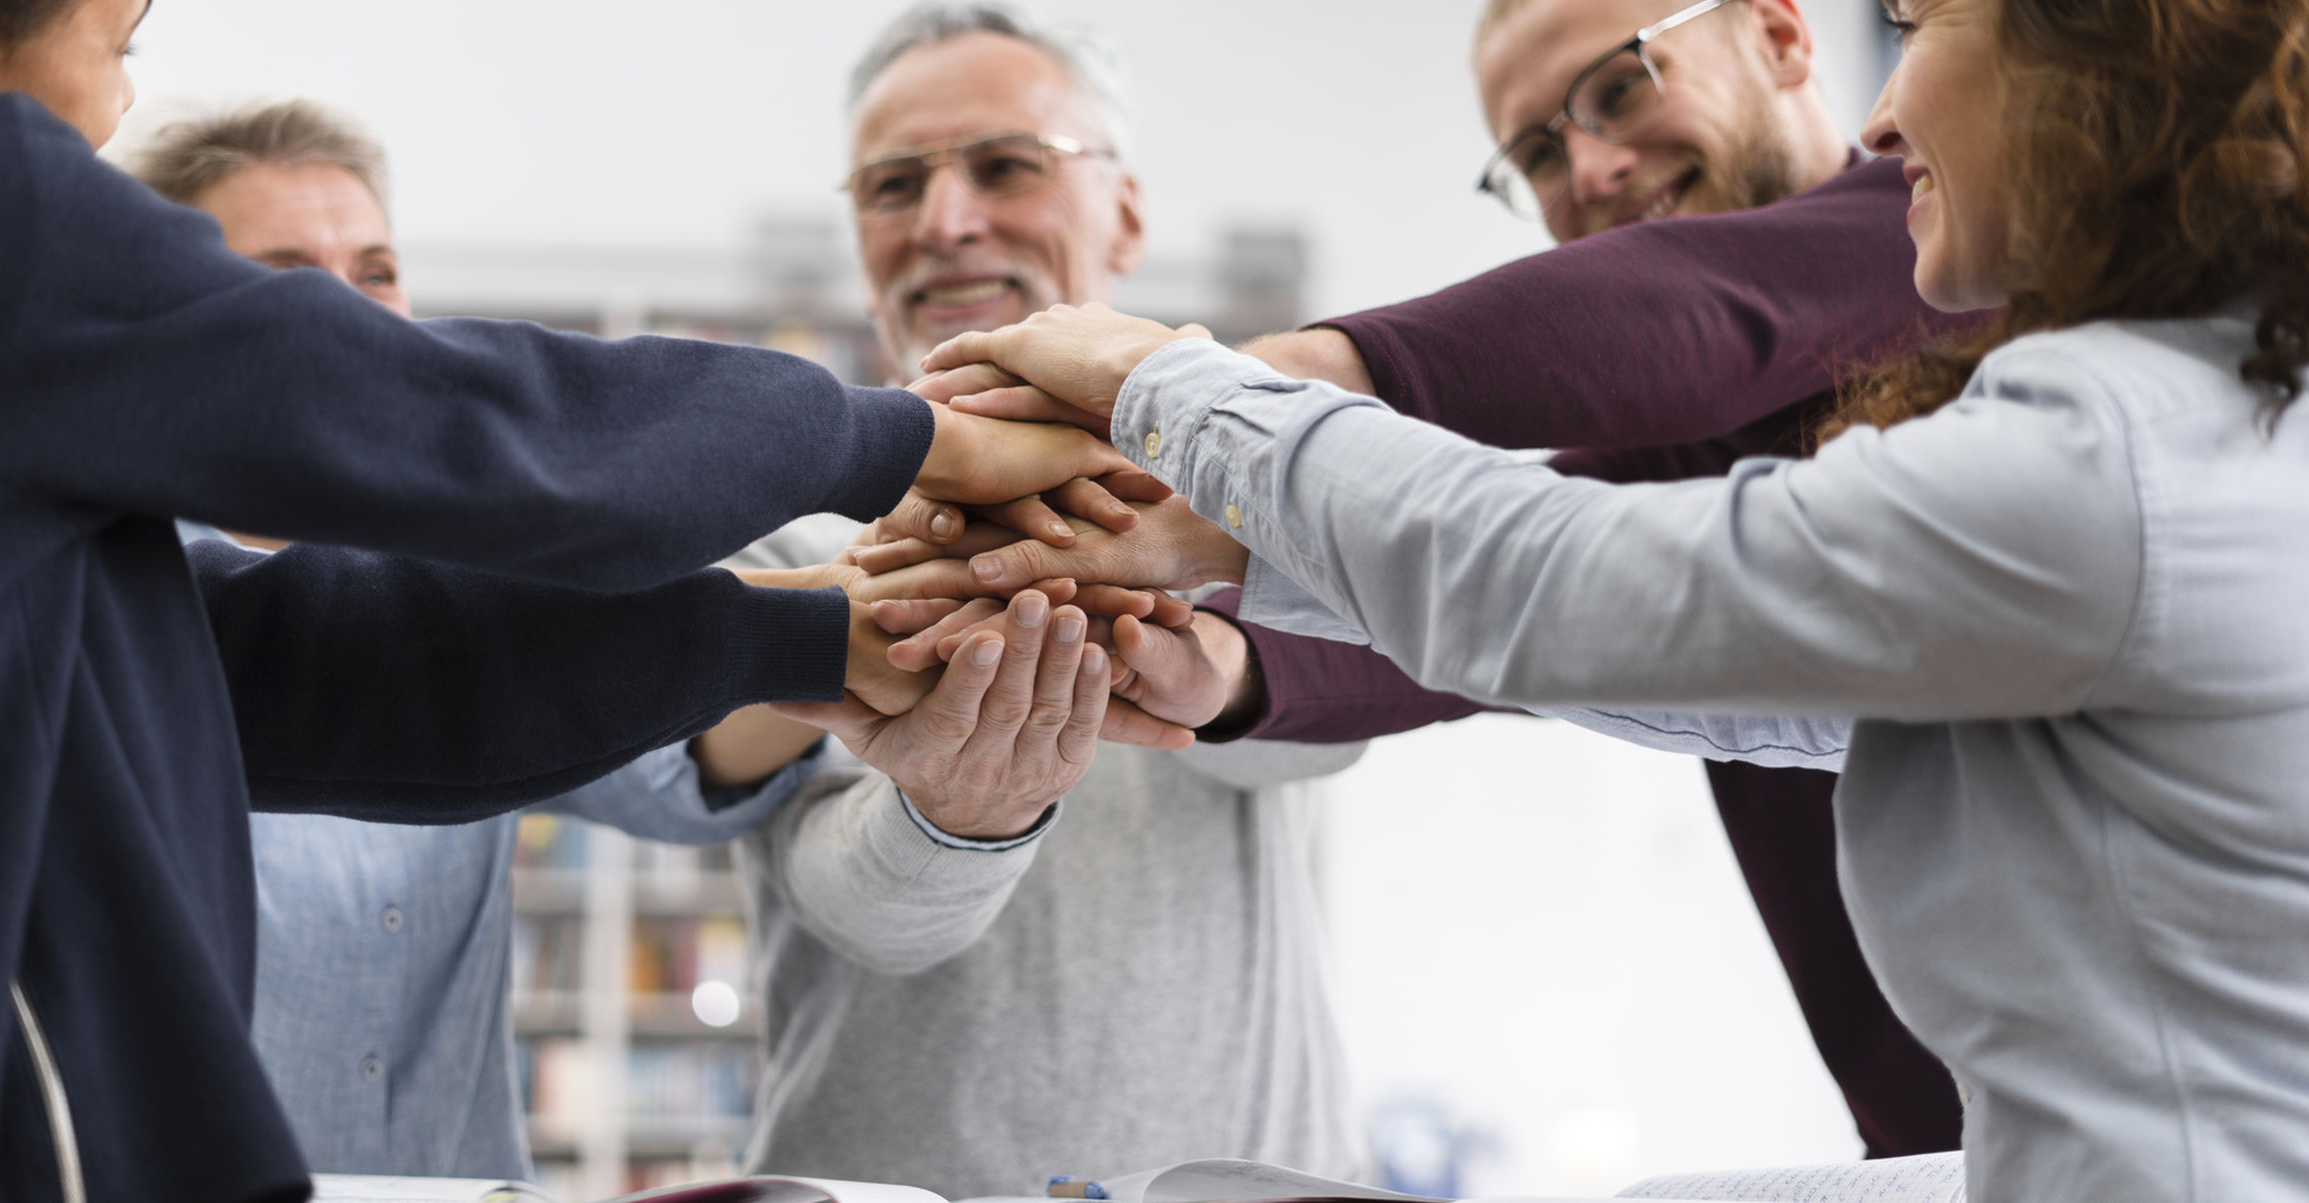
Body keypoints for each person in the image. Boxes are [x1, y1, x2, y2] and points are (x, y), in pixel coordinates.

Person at [0, 2, 1174, 1199]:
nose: (120, 104)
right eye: (118, 41)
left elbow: (285, 666)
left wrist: (813, 632)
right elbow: (457, 419)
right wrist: (904, 441)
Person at [923, 0, 2309, 1196]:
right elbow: (1654, 640)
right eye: (1533, 152)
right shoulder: (2193, 420)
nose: (1884, 113)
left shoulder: (2095, 447)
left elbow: (1565, 564)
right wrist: (1216, 607)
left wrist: (1170, 385)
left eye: (1919, 22)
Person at [623, 7, 1361, 1195]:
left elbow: (1343, 722)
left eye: (1007, 165)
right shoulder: (785, 538)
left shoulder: (1242, 476)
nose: (944, 220)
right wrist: (961, 812)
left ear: (1125, 212)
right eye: (893, 184)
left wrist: (1211, 659)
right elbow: (858, 909)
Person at [121, 100, 837, 1180]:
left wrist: (868, 619)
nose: (353, 316)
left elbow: (679, 761)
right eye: (286, 275)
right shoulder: (102, 603)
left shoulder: (473, 570)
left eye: (376, 272)